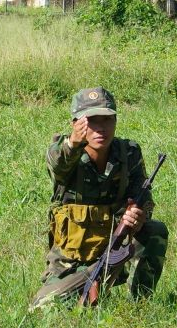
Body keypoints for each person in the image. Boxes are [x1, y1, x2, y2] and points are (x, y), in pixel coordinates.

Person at [31, 87, 167, 307]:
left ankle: (140, 305)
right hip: (72, 262)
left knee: (155, 230)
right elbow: (57, 165)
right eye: (92, 121)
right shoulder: (63, 153)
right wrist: (73, 142)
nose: (100, 128)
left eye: (107, 120)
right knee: (44, 306)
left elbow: (143, 196)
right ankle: (86, 292)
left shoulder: (128, 153)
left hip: (115, 251)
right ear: (76, 123)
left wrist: (139, 214)